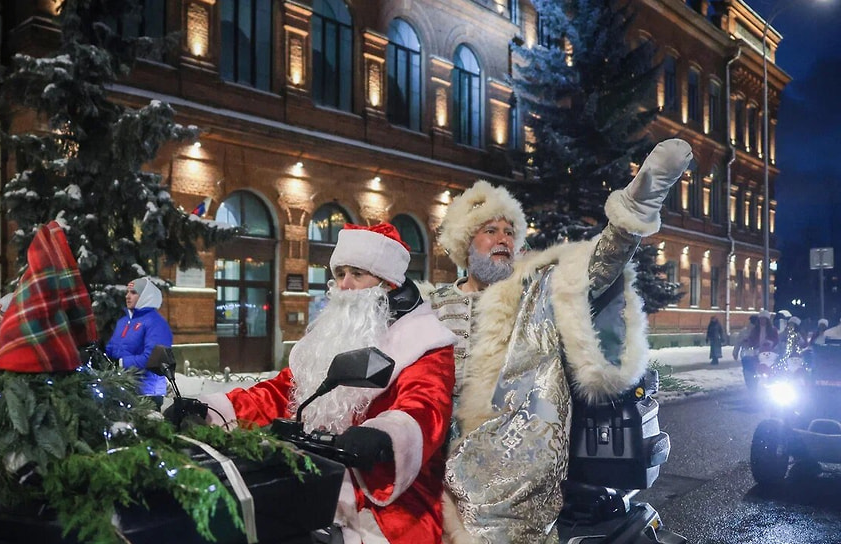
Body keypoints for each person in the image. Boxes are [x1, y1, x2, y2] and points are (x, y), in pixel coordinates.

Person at [431, 139, 693, 543]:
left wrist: (637, 206)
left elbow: (597, 267)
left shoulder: (535, 291)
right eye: (490, 230)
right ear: (466, 243)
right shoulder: (432, 305)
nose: (503, 238)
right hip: (434, 454)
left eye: (509, 232)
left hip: (511, 462)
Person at [201, 223, 457, 544]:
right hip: (315, 475)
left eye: (358, 274)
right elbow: (283, 391)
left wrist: (385, 434)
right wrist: (214, 410)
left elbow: (426, 405)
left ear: (388, 283)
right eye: (340, 274)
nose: (344, 286)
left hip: (384, 496)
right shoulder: (330, 335)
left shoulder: (424, 340)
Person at [105, 276, 172, 409]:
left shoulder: (156, 323)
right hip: (123, 389)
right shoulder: (123, 322)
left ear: (146, 296)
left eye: (134, 293)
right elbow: (112, 349)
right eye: (127, 292)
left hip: (147, 393)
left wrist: (121, 363)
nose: (127, 296)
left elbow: (153, 358)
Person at [740, 310, 779, 393]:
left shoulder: (772, 330)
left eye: (764, 319)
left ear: (767, 320)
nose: (762, 321)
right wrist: (749, 342)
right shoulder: (755, 330)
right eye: (761, 319)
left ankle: (772, 381)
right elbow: (751, 340)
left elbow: (776, 340)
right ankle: (754, 385)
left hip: (769, 353)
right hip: (757, 353)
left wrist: (770, 343)